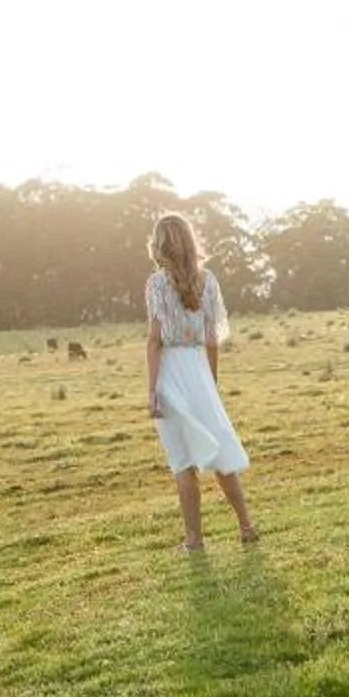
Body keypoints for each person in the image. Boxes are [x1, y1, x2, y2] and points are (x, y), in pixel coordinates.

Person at [142, 213, 256, 551]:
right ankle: (246, 526)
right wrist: (212, 382)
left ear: (159, 244)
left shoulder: (156, 284)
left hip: (171, 369)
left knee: (182, 461)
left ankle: (194, 540)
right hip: (200, 369)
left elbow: (154, 340)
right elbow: (212, 339)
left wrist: (151, 391)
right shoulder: (209, 281)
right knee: (219, 450)